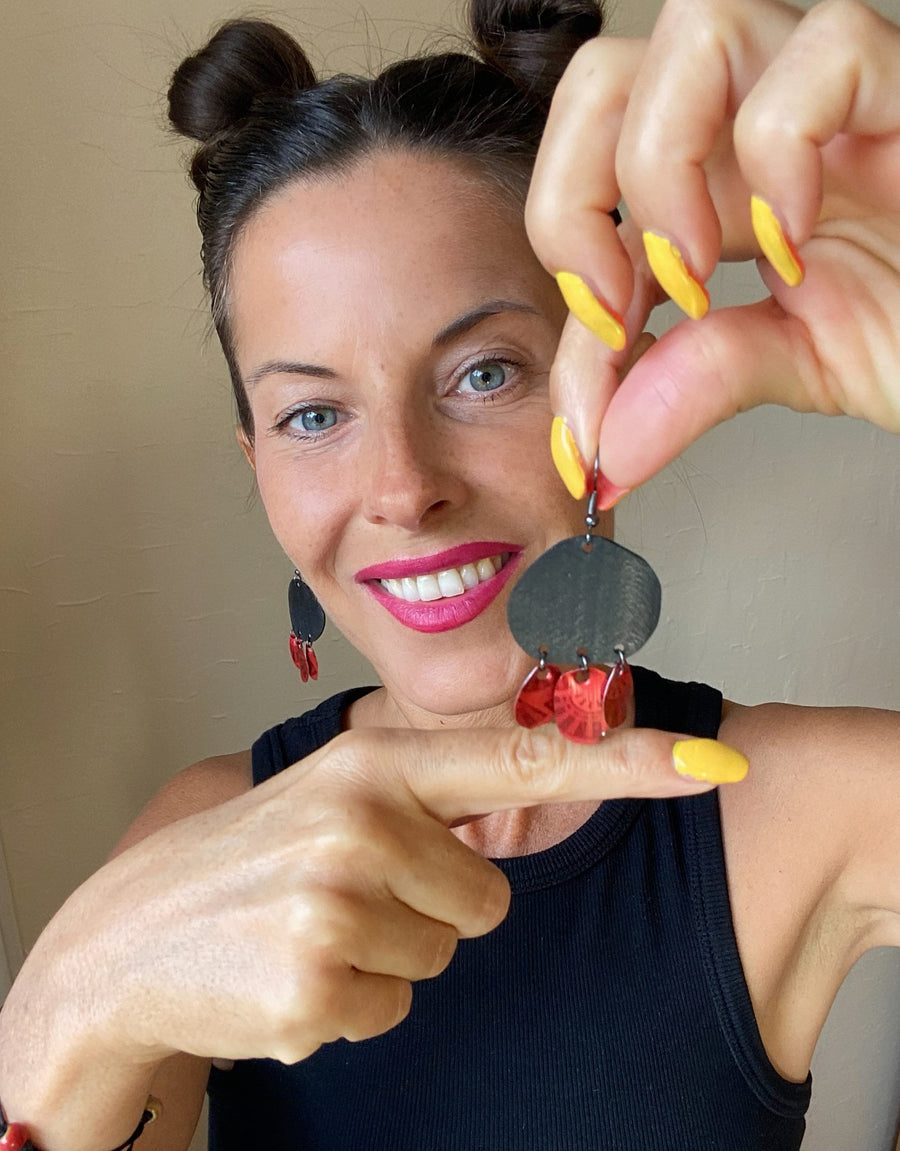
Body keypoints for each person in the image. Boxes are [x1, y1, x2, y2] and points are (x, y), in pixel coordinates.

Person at [0, 0, 897, 1148]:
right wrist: (84, 987)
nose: (400, 484)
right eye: (314, 412)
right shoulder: (204, 837)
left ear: (605, 373)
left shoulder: (807, 807)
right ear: (256, 462)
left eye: (481, 374)